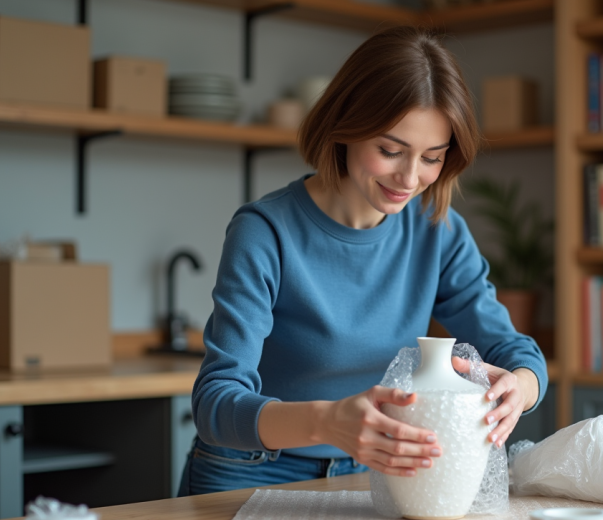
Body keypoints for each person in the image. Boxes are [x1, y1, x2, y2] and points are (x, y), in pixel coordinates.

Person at [178, 26, 548, 496]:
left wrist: (519, 387)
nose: (410, 178)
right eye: (390, 151)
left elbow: (517, 352)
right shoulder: (265, 231)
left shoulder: (439, 230)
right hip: (249, 471)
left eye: (432, 158)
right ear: (344, 128)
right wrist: (327, 421)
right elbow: (215, 405)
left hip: (368, 474)